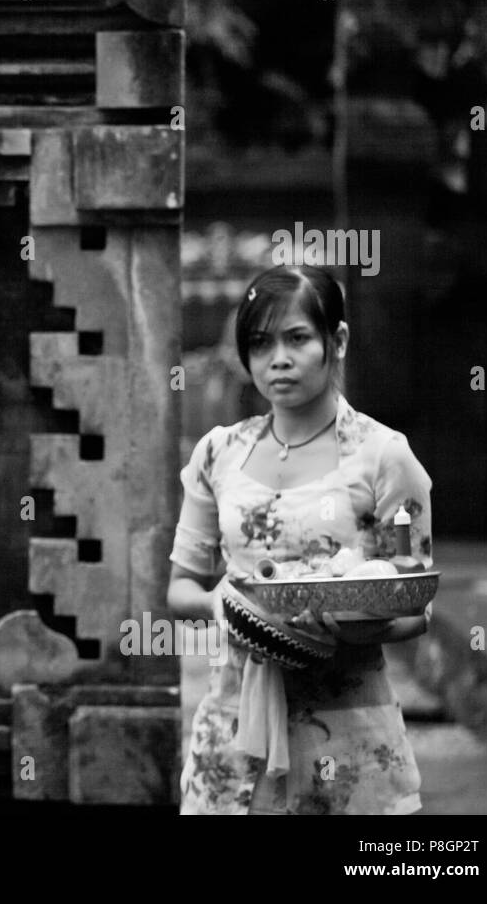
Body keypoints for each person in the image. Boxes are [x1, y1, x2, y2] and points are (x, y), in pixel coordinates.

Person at [167, 264, 433, 815]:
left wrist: (363, 624)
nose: (277, 359)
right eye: (260, 343)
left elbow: (417, 604)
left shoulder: (384, 455)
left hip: (348, 729)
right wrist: (222, 605)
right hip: (233, 727)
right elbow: (181, 590)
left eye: (297, 338)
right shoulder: (218, 454)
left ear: (336, 341)